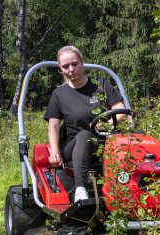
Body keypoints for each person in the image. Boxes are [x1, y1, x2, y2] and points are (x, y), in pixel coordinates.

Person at [44, 45, 127, 202]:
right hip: (72, 146)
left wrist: (108, 124)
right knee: (85, 135)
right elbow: (53, 125)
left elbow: (121, 110)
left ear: (82, 62)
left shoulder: (101, 86)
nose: (71, 69)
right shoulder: (59, 94)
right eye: (65, 66)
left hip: (104, 141)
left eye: (74, 64)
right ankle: (80, 189)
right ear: (60, 69)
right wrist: (54, 152)